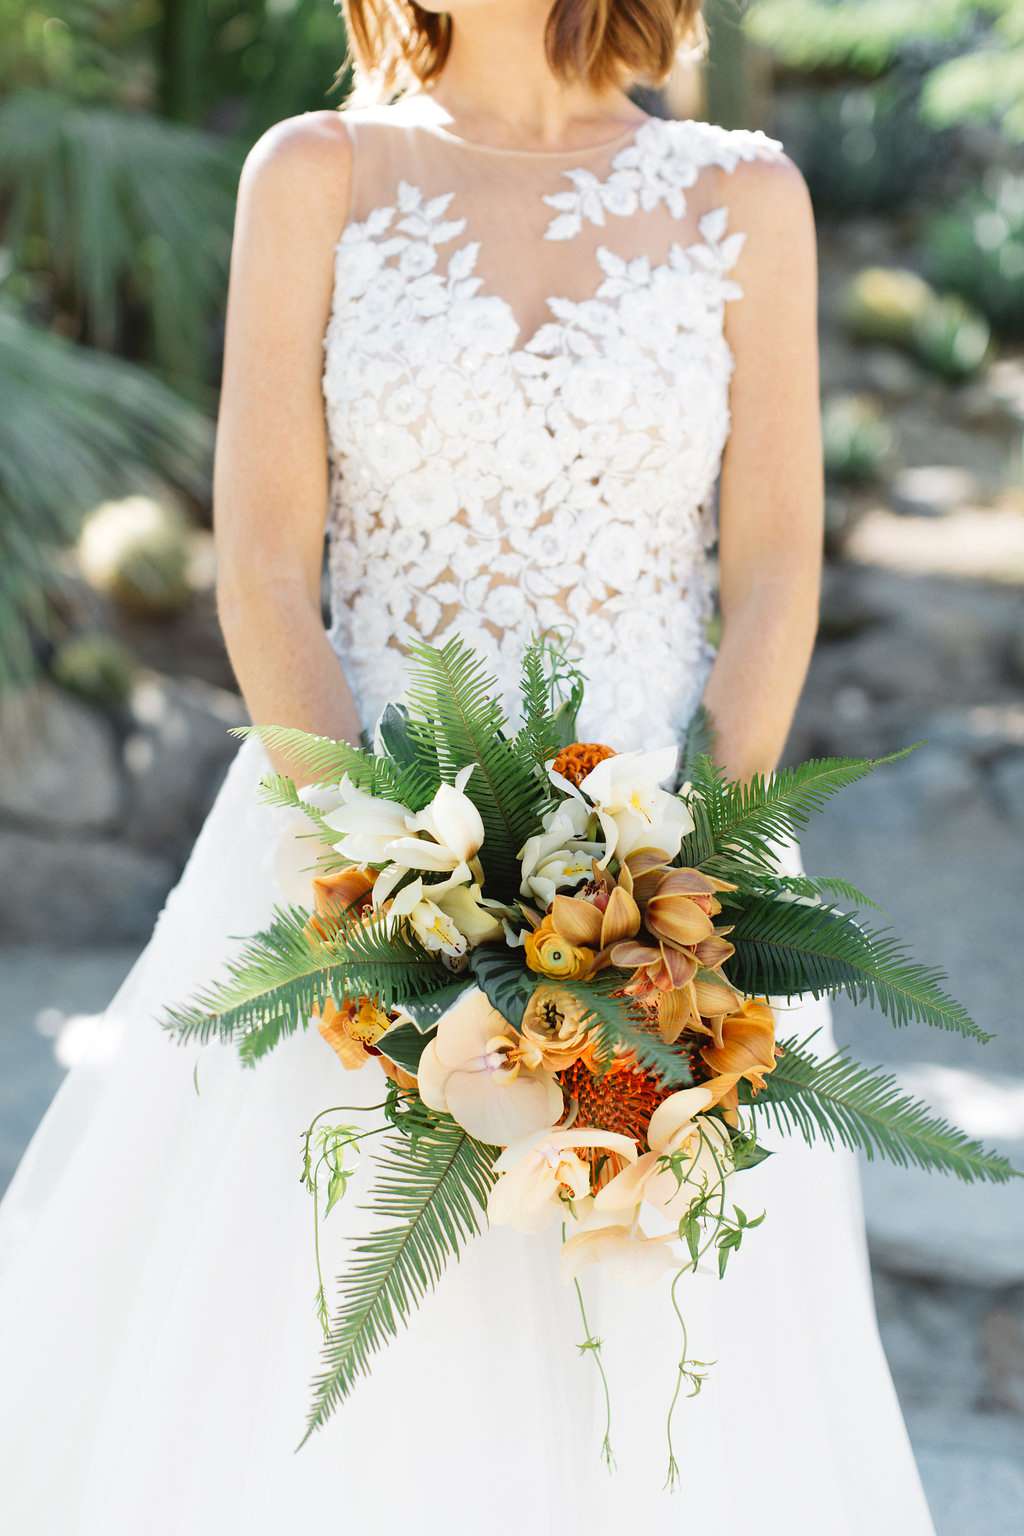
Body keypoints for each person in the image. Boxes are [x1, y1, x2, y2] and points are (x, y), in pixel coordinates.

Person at [0, 3, 936, 1531]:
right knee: (329, 1337)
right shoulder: (314, 171)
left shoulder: (745, 195)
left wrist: (676, 877)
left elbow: (773, 572)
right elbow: (261, 572)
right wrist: (388, 882)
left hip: (669, 870)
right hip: (350, 855)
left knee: (655, 1350)